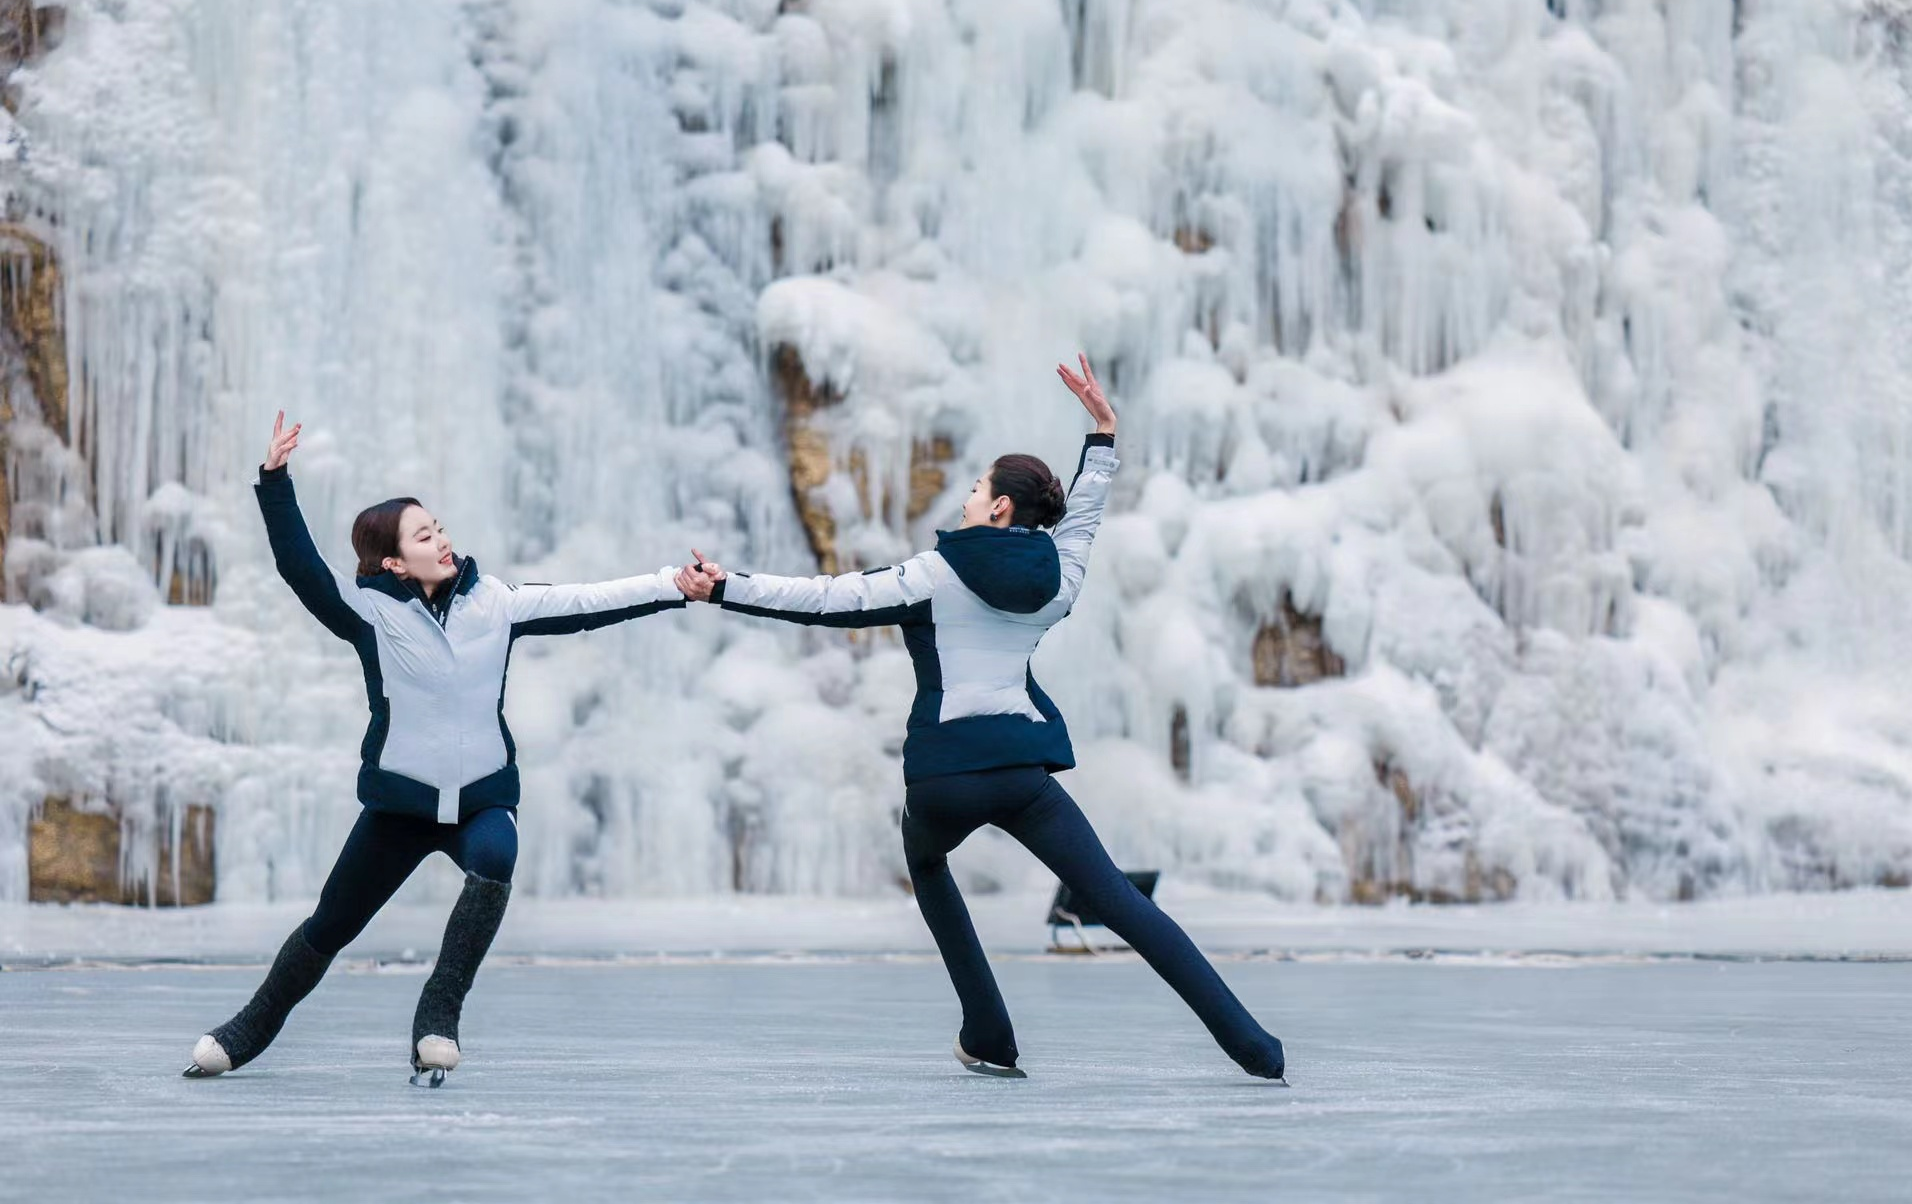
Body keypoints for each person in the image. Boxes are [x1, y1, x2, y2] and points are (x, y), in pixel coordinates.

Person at [676, 356, 1286, 1081]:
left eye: (975, 491)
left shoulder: (930, 577)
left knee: (928, 863)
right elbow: (1083, 518)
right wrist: (1103, 435)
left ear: (999, 508)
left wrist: (724, 589)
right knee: (1117, 900)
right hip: (1023, 776)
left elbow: (826, 598)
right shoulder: (1058, 581)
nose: (965, 501)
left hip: (944, 781)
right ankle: (1256, 1048)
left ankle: (990, 1033)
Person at [185, 412, 688, 1085]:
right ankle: (247, 1030)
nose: (442, 539)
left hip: (482, 798)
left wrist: (670, 585)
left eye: (440, 527)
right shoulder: (370, 613)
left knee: (496, 859)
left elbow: (588, 600)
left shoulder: (496, 603)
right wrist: (275, 481)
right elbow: (300, 567)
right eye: (424, 535)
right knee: (332, 924)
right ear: (393, 560)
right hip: (399, 809)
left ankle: (438, 1012)